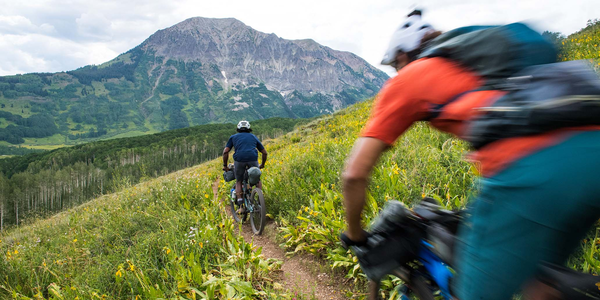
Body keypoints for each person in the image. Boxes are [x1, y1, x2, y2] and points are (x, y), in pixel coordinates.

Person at [341, 10, 600, 300]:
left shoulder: (409, 78)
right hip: (592, 151)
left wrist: (354, 235)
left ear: (402, 56)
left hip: (530, 169)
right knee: (540, 282)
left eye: (395, 66)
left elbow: (354, 173)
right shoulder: (473, 60)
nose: (397, 72)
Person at [223, 120, 267, 213]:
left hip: (239, 160)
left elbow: (225, 152)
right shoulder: (253, 137)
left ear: (238, 129)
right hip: (253, 159)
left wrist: (225, 166)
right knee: (257, 180)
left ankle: (240, 206)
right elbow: (264, 152)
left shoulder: (233, 137)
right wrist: (262, 164)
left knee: (239, 181)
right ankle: (259, 199)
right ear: (249, 128)